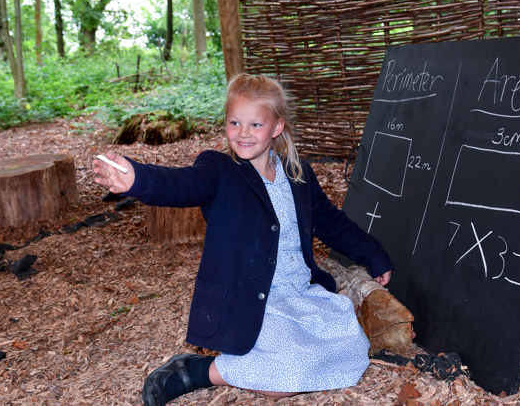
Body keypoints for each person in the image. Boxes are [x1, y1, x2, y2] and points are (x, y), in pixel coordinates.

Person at [93, 73, 394, 406]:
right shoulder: (220, 171)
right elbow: (183, 184)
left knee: (352, 348)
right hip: (249, 300)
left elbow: (332, 223)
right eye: (235, 122)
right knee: (282, 382)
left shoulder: (299, 175)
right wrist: (137, 178)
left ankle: (235, 366)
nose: (243, 133)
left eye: (255, 125)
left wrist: (373, 254)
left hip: (296, 292)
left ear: (276, 127)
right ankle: (195, 371)